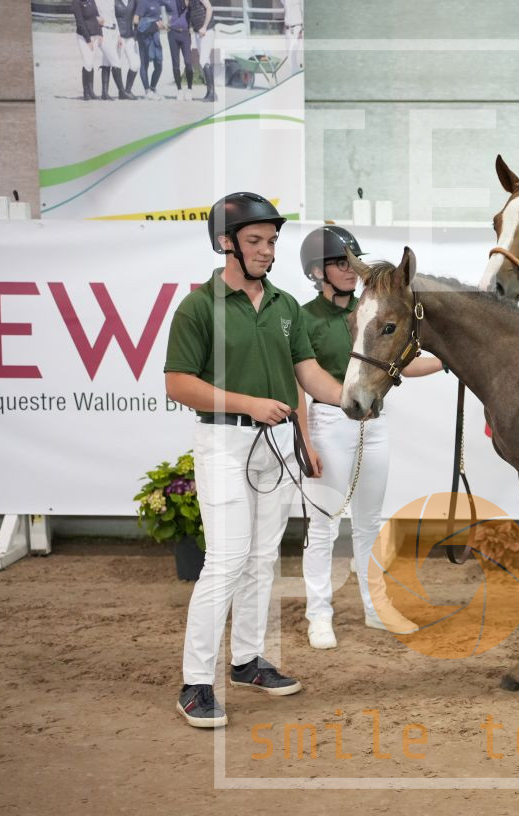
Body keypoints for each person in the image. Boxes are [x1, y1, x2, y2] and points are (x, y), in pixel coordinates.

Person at [165, 193, 343, 728]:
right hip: (225, 442)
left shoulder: (285, 305)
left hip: (277, 443)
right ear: (226, 243)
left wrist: (351, 398)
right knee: (226, 560)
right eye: (255, 241)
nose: (267, 250)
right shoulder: (199, 307)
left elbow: (307, 374)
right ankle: (196, 683)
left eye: (272, 241)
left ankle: (247, 661)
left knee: (263, 558)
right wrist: (249, 404)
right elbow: (179, 384)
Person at [296, 227, 443, 649]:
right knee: (323, 525)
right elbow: (299, 381)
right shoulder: (304, 318)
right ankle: (318, 614)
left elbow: (398, 364)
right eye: (340, 264)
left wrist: (446, 361)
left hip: (373, 421)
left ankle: (375, 606)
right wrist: (305, 440)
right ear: (316, 271)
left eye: (352, 263)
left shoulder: (369, 309)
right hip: (328, 421)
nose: (350, 271)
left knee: (368, 523)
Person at [95, 0, 134, 100]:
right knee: (116, 61)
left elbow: (114, 17)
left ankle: (104, 93)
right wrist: (98, 29)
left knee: (106, 62)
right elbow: (90, 15)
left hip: (113, 31)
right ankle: (122, 92)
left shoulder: (111, 1)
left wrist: (118, 35)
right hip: (102, 31)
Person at [71, 0, 103, 102]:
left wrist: (100, 33)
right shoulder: (76, 2)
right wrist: (88, 40)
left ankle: (91, 91)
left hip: (95, 35)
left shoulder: (91, 0)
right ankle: (86, 92)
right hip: (83, 37)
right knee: (88, 62)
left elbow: (97, 17)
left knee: (91, 63)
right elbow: (80, 22)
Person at [165, 0, 195, 101]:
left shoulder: (189, 2)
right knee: (175, 63)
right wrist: (162, 21)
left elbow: (196, 10)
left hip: (185, 33)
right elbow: (158, 5)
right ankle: (179, 90)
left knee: (188, 62)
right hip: (172, 33)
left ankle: (189, 89)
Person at [134, 0, 164, 99]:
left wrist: (160, 23)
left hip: (155, 36)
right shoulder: (143, 3)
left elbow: (159, 18)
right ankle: (147, 91)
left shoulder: (158, 2)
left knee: (159, 63)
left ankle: (152, 88)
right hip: (144, 36)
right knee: (144, 63)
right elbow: (136, 19)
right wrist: (138, 33)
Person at [188, 0, 215, 102]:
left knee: (203, 61)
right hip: (197, 32)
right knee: (206, 60)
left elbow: (209, 8)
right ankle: (210, 92)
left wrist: (204, 27)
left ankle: (211, 93)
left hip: (206, 31)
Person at [115, 0, 142, 100]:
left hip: (130, 36)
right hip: (118, 37)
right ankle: (121, 91)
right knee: (117, 63)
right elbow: (112, 18)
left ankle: (127, 90)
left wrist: (136, 33)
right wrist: (116, 35)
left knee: (136, 64)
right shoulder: (114, 2)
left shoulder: (133, 1)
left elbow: (138, 15)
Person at [282, 0, 303, 75]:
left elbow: (304, 11)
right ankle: (293, 76)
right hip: (288, 30)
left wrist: (302, 30)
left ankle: (299, 76)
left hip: (297, 29)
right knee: (289, 56)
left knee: (297, 56)